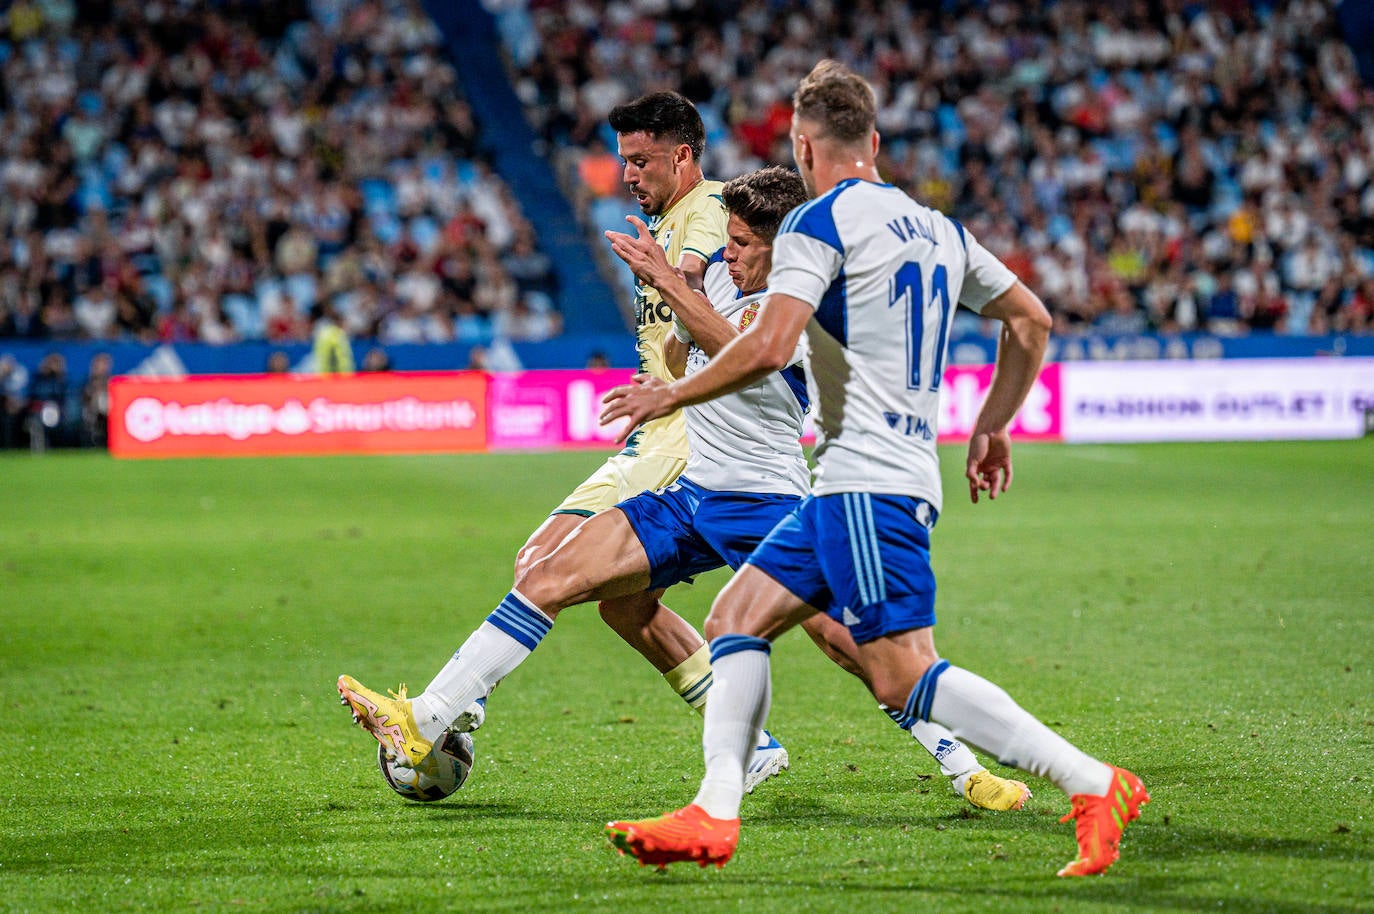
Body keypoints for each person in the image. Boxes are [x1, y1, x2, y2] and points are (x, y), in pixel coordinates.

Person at [599, 60, 1147, 878]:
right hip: (859, 478)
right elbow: (1029, 322)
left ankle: (1095, 782)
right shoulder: (938, 229)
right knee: (734, 618)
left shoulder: (816, 225)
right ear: (876, 143)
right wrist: (992, 426)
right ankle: (714, 811)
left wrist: (667, 395)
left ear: (802, 146)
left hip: (868, 479)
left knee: (899, 674)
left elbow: (769, 346)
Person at [339, 166, 1026, 810]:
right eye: (726, 241)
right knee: (552, 576)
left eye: (743, 245)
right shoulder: (735, 287)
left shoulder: (808, 309)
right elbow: (692, 348)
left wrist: (670, 283)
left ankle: (965, 765)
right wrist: (669, 363)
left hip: (768, 504)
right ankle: (425, 718)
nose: (729, 256)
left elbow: (746, 354)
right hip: (694, 493)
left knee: (852, 644)